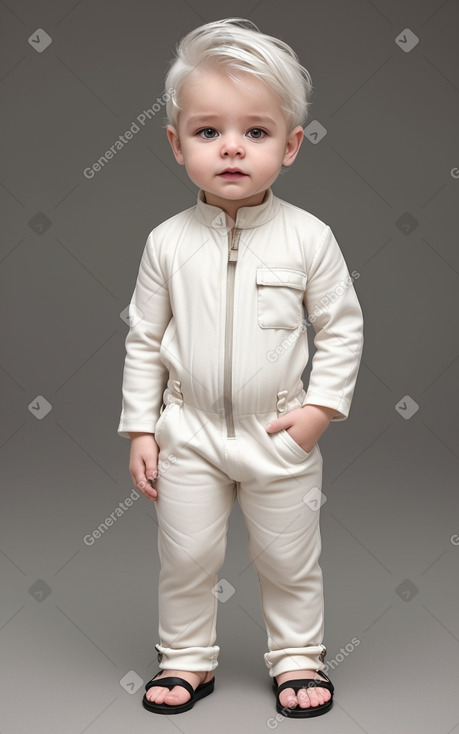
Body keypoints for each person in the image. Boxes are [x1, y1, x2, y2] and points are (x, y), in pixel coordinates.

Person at [117, 17, 364, 718]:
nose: (231, 147)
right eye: (207, 131)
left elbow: (341, 327)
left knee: (287, 559)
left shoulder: (308, 237)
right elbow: (143, 337)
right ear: (176, 145)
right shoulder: (166, 244)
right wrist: (141, 429)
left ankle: (297, 659)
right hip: (187, 434)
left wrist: (317, 412)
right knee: (186, 558)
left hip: (279, 434)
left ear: (290, 146)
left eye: (255, 132)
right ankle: (187, 660)